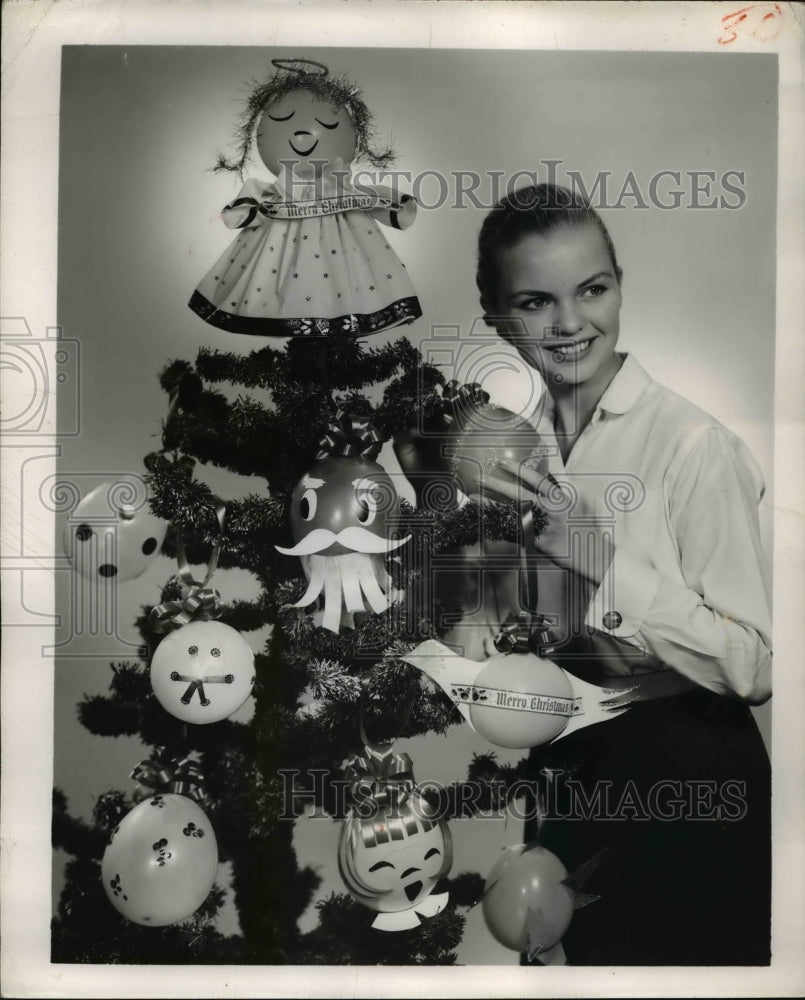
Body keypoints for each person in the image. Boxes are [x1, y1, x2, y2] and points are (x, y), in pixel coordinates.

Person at [397, 183, 772, 965]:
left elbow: (753, 664)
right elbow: (484, 637)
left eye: (592, 289)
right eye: (536, 302)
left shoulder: (691, 446)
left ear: (618, 284)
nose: (571, 324)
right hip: (566, 777)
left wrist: (601, 562)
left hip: (691, 777)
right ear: (495, 313)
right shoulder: (503, 451)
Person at [189, 57, 421, 338]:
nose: (301, 134)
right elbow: (242, 212)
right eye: (283, 122)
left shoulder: (340, 186)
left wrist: (393, 205)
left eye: (327, 124)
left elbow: (372, 199)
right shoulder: (275, 191)